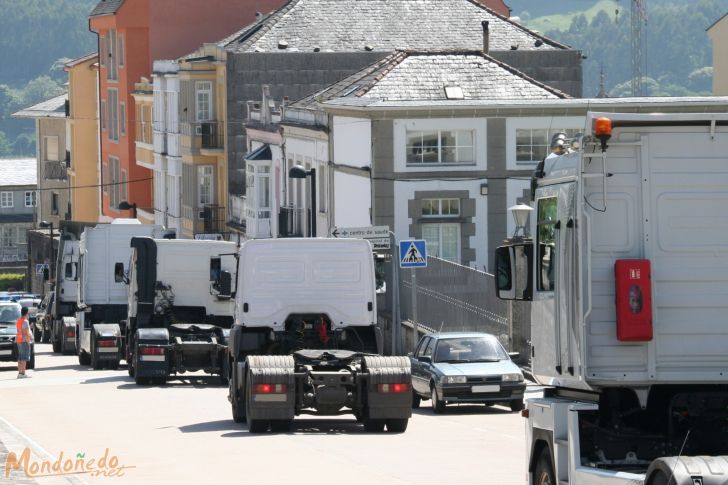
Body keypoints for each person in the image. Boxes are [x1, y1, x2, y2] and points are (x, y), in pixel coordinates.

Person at [16, 306, 32, 379]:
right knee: (24, 357)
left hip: (18, 340)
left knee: (20, 357)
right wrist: (28, 341)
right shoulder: (25, 321)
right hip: (24, 341)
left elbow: (19, 330)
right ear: (27, 312)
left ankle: (20, 373)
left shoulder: (18, 320)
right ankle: (23, 373)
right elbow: (26, 333)